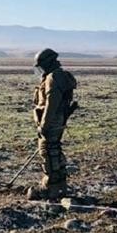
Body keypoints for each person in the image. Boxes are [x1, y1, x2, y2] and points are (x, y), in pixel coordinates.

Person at [29, 48, 77, 200]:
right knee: (53, 150)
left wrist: (44, 125)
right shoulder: (57, 76)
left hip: (51, 121)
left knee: (48, 152)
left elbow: (51, 103)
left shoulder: (53, 78)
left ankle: (51, 189)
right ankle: (59, 186)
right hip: (56, 120)